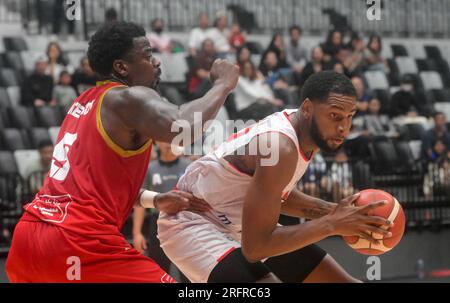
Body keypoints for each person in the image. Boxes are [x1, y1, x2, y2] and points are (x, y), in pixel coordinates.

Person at [6, 21, 239, 283]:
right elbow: (182, 128)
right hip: (77, 242)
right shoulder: (126, 98)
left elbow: (89, 187)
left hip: (29, 238)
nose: (156, 63)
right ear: (121, 67)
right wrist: (223, 85)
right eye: (148, 55)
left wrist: (154, 199)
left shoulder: (82, 103)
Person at [158, 71, 392, 283]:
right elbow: (256, 247)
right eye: (335, 115)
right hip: (193, 221)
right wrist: (332, 223)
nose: (344, 127)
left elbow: (276, 193)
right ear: (308, 108)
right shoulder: (280, 146)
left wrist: (336, 212)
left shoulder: (304, 129)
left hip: (238, 220)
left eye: (349, 116)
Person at [133, 141, 191, 281]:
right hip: (158, 223)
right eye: (164, 139)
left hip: (187, 222)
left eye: (171, 139)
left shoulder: (189, 165)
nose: (168, 143)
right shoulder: (150, 168)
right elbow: (139, 202)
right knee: (158, 270)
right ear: (156, 142)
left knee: (190, 272)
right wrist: (136, 233)